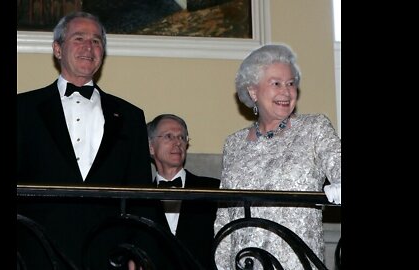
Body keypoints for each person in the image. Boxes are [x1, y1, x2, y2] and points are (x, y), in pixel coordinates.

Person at [17, 11, 166, 270]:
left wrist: (139, 252)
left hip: (109, 255)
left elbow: (141, 194)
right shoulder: (23, 109)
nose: (89, 46)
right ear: (57, 49)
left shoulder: (131, 115)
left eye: (96, 41)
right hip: (36, 253)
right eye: (79, 38)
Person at [213, 44, 341, 270]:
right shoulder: (234, 143)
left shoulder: (314, 128)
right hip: (246, 262)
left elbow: (338, 163)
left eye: (291, 83)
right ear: (253, 91)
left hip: (297, 260)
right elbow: (226, 215)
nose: (286, 91)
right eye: (276, 83)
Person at [147, 114, 221, 269]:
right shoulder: (139, 196)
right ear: (151, 147)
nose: (178, 143)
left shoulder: (213, 189)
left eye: (182, 137)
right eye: (169, 136)